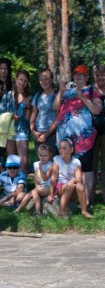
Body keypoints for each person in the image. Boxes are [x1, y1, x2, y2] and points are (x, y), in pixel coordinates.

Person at [53, 64, 102, 205]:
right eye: (76, 74)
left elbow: (97, 110)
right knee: (66, 166)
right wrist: (61, 92)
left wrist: (82, 96)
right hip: (65, 137)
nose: (79, 76)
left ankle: (85, 200)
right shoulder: (67, 91)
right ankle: (68, 197)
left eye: (82, 74)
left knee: (85, 166)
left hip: (84, 138)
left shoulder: (92, 90)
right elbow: (55, 107)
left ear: (87, 76)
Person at [47, 138, 92, 218]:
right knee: (69, 187)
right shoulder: (57, 159)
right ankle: (61, 211)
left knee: (80, 186)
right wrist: (50, 194)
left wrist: (72, 181)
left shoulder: (76, 162)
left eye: (64, 148)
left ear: (71, 150)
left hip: (73, 187)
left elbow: (78, 179)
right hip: (61, 188)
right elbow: (53, 178)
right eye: (60, 148)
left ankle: (84, 211)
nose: (61, 150)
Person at [0, 69, 31, 174]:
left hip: (22, 129)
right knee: (12, 161)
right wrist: (11, 116)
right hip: (9, 130)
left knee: (23, 161)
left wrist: (28, 107)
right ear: (16, 79)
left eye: (25, 81)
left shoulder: (29, 97)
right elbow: (0, 113)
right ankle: (13, 186)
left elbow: (28, 118)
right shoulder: (7, 96)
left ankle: (23, 185)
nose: (22, 83)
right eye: (20, 79)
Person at [14, 144, 53, 215]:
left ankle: (37, 212)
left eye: (45, 155)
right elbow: (35, 177)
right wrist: (36, 185)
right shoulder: (36, 164)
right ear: (38, 155)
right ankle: (17, 210)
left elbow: (45, 178)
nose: (43, 158)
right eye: (41, 155)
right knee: (30, 194)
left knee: (34, 192)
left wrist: (41, 168)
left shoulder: (50, 165)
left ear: (49, 155)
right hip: (40, 187)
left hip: (48, 186)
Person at [30, 69, 58, 154]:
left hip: (52, 134)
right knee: (41, 162)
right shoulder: (37, 96)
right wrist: (33, 131)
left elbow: (58, 118)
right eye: (41, 80)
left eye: (46, 79)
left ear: (52, 79)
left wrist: (46, 135)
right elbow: (34, 114)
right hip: (38, 133)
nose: (43, 82)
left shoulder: (56, 95)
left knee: (52, 162)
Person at [90, 64, 105, 201]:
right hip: (92, 132)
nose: (100, 77)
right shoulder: (90, 90)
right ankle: (91, 196)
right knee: (93, 164)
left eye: (103, 75)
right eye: (98, 75)